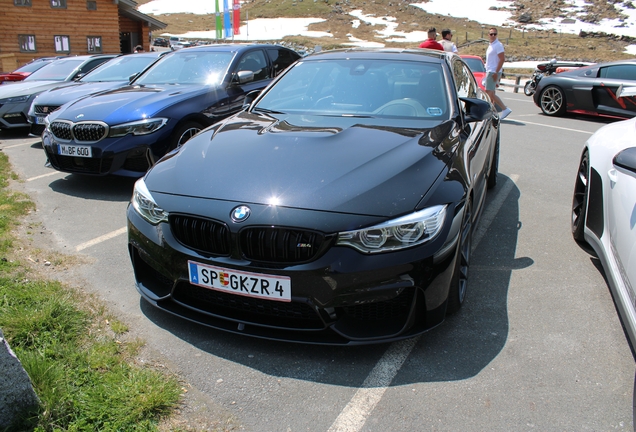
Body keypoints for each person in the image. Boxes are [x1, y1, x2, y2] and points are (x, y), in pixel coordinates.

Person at [485, 27, 511, 119]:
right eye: (491, 34)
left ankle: (504, 108)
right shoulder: (491, 45)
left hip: (493, 71)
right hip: (490, 70)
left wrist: (496, 72)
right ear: (488, 35)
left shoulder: (498, 45)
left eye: (494, 34)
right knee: (491, 92)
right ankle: (493, 112)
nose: (493, 36)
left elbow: (502, 59)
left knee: (489, 93)